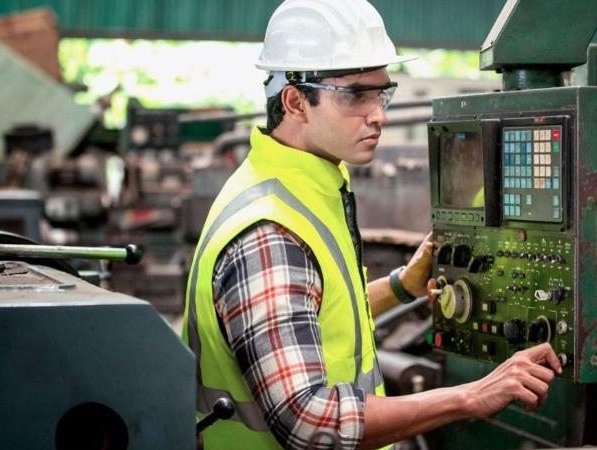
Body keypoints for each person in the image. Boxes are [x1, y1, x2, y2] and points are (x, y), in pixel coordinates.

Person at [182, 1, 562, 449]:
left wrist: (402, 286)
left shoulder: (299, 185)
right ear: (295, 101)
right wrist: (472, 396)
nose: (379, 114)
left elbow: (315, 314)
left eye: (381, 94)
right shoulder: (270, 233)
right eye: (355, 96)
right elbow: (310, 422)